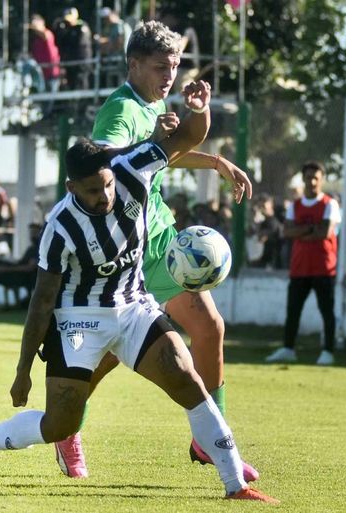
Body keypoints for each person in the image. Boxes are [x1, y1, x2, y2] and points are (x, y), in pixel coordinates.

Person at [0, 82, 277, 503]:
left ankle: (237, 486)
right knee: (59, 425)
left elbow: (188, 138)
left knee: (187, 378)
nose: (104, 196)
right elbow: (41, 303)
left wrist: (198, 110)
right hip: (78, 320)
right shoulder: (60, 228)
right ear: (71, 188)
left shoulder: (133, 169)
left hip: (133, 308)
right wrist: (22, 369)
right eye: (91, 191)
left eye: (106, 185)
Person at [51, 20, 257, 482]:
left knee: (207, 327)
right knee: (109, 353)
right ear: (134, 64)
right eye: (161, 66)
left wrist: (216, 159)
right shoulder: (120, 109)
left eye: (176, 66)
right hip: (133, 248)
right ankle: (66, 426)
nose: (170, 75)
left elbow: (168, 153)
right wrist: (156, 140)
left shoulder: (156, 100)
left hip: (160, 234)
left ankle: (207, 442)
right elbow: (106, 165)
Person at [265, 161, 341, 366]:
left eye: (316, 178)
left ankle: (328, 351)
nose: (312, 181)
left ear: (322, 180)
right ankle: (288, 348)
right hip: (299, 268)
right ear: (303, 179)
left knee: (327, 311)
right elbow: (287, 232)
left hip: (324, 267)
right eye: (308, 177)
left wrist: (301, 230)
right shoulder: (295, 205)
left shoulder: (329, 204)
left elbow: (324, 233)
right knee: (293, 310)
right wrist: (310, 229)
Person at [54, 7, 93, 91]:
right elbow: (61, 42)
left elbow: (80, 44)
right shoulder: (66, 28)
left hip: (81, 63)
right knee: (71, 84)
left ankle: (83, 102)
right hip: (70, 63)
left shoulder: (81, 27)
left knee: (81, 83)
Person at [29, 14, 61, 114]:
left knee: (50, 99)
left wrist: (34, 27)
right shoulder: (36, 41)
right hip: (41, 75)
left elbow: (44, 35)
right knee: (43, 101)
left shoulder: (47, 34)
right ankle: (45, 116)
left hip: (52, 73)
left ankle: (48, 116)